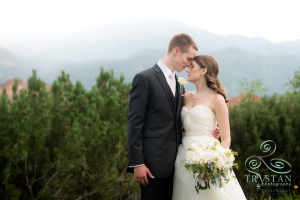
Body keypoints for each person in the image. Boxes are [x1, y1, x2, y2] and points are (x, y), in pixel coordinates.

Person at [126, 33, 198, 200]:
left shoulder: (180, 84)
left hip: (177, 165)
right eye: (188, 58)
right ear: (176, 50)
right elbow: (135, 123)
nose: (188, 64)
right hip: (151, 166)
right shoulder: (145, 78)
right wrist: (138, 163)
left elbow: (177, 120)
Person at [172, 55, 246, 200]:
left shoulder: (217, 99)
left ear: (204, 70)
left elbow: (226, 139)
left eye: (192, 66)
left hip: (207, 156)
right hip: (183, 156)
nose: (187, 69)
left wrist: (214, 163)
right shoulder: (185, 96)